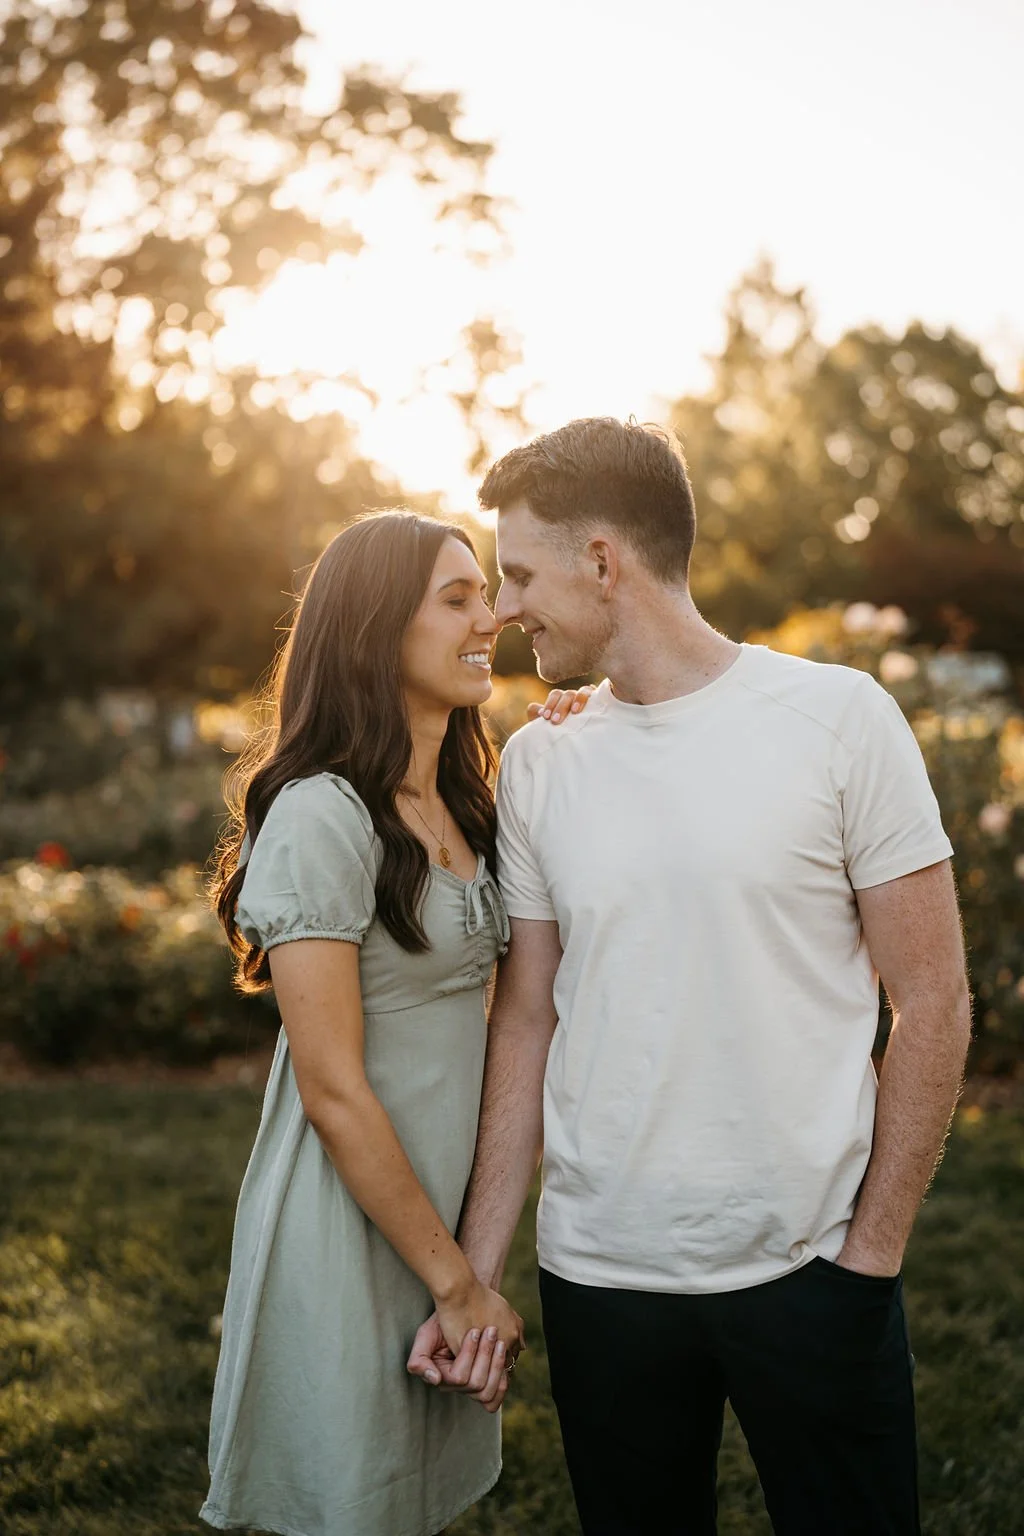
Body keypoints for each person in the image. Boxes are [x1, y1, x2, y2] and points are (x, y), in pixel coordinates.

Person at [408, 418, 972, 1536]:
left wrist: (871, 1259)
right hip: (600, 1277)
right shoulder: (541, 757)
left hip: (811, 1271)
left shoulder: (837, 721)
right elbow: (524, 1020)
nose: (505, 606)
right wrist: (476, 1275)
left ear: (603, 561)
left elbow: (935, 1000)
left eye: (518, 573)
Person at [200, 510, 588, 1536]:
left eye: (486, 593)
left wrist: (582, 738)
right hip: (352, 1223)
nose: (491, 615)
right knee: (350, 1504)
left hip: (442, 1211)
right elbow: (330, 1090)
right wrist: (455, 1282)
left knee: (411, 1504)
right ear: (376, 630)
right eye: (455, 599)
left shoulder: (467, 798)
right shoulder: (324, 813)